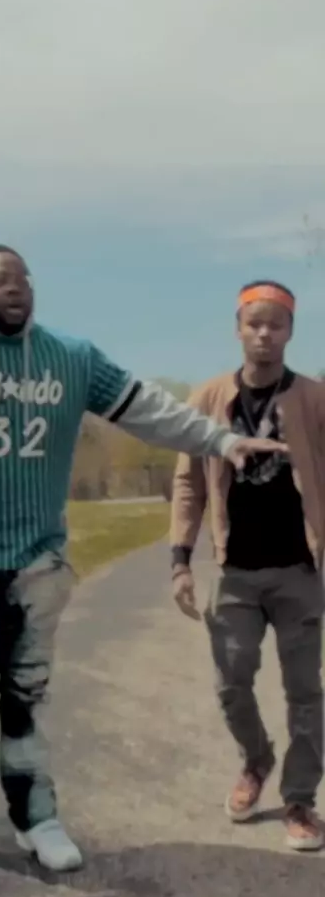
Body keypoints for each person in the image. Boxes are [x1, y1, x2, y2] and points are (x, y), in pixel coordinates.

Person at [0, 248, 285, 878]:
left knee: (28, 692)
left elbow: (149, 410)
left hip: (38, 555)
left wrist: (220, 439)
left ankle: (37, 818)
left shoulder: (70, 357)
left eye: (24, 279)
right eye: (1, 279)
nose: (16, 288)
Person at [170, 280, 325, 851]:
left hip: (299, 572)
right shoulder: (209, 398)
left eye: (275, 324)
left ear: (290, 332)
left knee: (305, 691)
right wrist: (180, 560)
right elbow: (188, 484)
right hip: (234, 572)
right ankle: (256, 760)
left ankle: (300, 799)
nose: (264, 334)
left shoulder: (313, 399)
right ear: (238, 329)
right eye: (254, 324)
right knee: (231, 681)